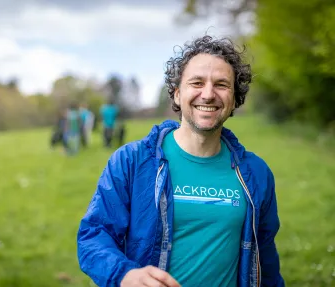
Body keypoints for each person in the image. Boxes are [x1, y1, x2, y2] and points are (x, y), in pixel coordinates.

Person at [77, 35, 284, 287]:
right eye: (197, 82)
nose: (208, 94)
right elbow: (94, 235)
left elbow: (265, 258)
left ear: (234, 100)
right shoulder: (131, 161)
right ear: (176, 94)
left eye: (221, 84)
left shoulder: (256, 172)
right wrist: (124, 274)